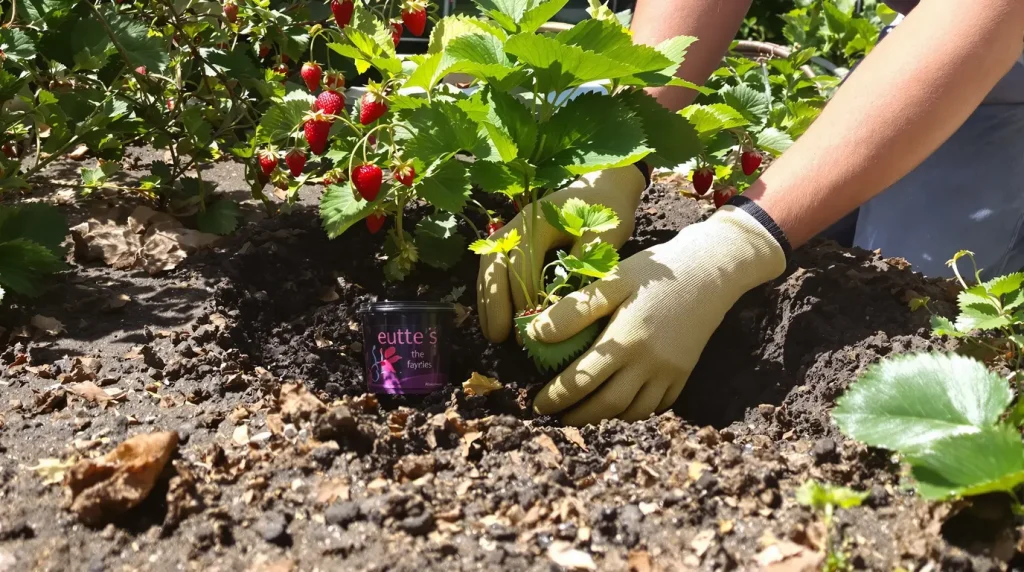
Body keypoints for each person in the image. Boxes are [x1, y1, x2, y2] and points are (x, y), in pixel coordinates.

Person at [475, 0, 1024, 426]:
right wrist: (620, 153)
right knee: (824, 250)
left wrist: (740, 241)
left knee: (912, 314)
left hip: (992, 37)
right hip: (932, 30)